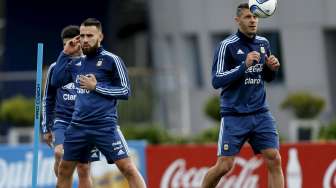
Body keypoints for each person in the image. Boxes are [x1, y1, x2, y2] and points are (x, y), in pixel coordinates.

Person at [51, 18, 147, 188]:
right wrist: (65, 53)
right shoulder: (75, 63)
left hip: (105, 126)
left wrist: (96, 87)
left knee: (128, 168)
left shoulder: (112, 60)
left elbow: (125, 91)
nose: (85, 39)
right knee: (64, 169)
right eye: (82, 35)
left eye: (90, 35)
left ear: (100, 36)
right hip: (78, 126)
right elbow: (56, 81)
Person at [201, 3, 284, 188]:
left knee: (274, 158)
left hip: (260, 112)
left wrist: (272, 69)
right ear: (237, 20)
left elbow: (267, 77)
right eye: (247, 17)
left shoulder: (263, 43)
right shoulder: (226, 46)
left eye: (255, 17)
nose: (253, 21)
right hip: (234, 115)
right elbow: (216, 80)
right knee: (224, 166)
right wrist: (243, 66)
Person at [42, 25, 100, 188]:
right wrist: (46, 128)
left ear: (80, 42)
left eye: (71, 44)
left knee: (84, 168)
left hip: (86, 122)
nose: (68, 47)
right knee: (60, 153)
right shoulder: (56, 67)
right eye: (64, 45)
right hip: (63, 121)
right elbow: (48, 98)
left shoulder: (93, 65)